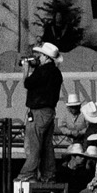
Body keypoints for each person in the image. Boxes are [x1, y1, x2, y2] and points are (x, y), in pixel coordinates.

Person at [16, 42, 63, 183]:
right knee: (47, 146)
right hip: (49, 112)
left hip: (38, 112)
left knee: (34, 144)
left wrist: (26, 69)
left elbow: (27, 83)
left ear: (46, 57)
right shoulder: (56, 72)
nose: (39, 58)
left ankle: (28, 174)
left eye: (41, 55)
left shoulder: (42, 71)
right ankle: (49, 175)